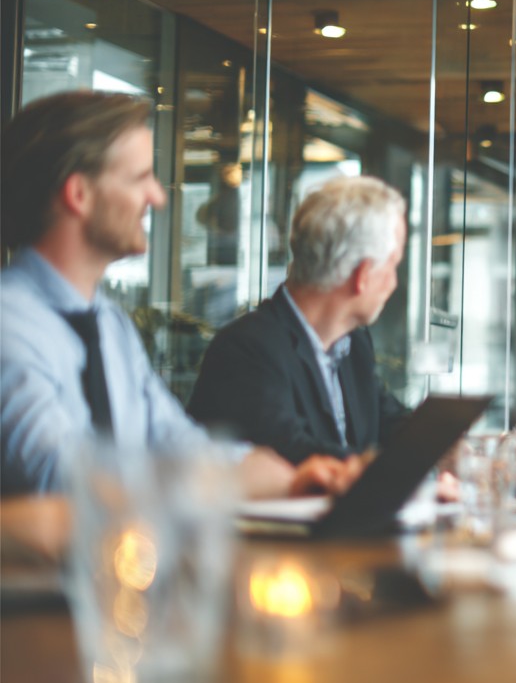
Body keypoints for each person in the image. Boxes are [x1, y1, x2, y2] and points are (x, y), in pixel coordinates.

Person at [0, 91, 350, 499]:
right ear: (79, 195)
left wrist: (282, 473)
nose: (158, 197)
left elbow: (176, 438)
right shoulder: (10, 327)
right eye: (139, 178)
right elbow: (63, 477)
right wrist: (232, 479)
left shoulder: (109, 325)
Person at [187, 175, 516, 490]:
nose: (394, 282)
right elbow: (299, 456)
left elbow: (394, 426)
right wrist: (449, 474)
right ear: (362, 276)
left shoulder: (352, 344)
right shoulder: (246, 351)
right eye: (392, 266)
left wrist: (476, 455)